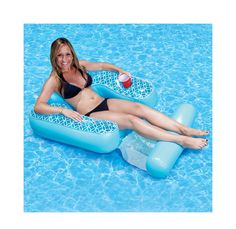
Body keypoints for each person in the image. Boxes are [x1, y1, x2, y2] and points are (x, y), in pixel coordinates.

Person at [34, 37, 209, 150]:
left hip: (104, 101)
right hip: (91, 113)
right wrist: (63, 111)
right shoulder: (54, 80)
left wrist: (120, 70)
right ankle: (180, 140)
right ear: (53, 57)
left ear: (72, 54)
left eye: (67, 54)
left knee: (139, 108)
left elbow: (101, 65)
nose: (64, 60)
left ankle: (183, 129)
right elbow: (39, 106)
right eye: (59, 56)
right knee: (133, 121)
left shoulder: (80, 66)